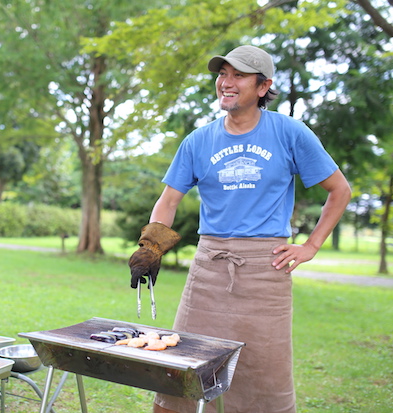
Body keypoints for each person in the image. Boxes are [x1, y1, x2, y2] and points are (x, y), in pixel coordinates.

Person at [128, 45, 352, 413]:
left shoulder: (290, 133)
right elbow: (168, 200)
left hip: (266, 270)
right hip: (209, 268)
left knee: (263, 374)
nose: (226, 82)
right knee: (184, 367)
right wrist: (151, 245)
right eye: (222, 74)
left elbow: (339, 190)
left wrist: (311, 246)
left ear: (263, 86)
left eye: (238, 76)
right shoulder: (198, 140)